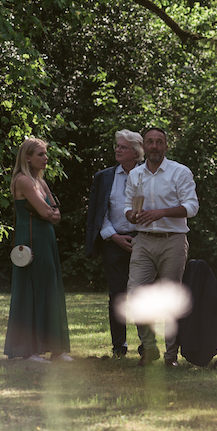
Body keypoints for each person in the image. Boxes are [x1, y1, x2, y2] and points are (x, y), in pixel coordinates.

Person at [124, 127, 199, 367]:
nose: (154, 146)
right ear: (143, 147)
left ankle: (170, 356)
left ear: (166, 146)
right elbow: (126, 208)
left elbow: (192, 207)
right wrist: (132, 216)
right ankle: (148, 348)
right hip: (143, 240)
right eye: (150, 142)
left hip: (173, 240)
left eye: (159, 142)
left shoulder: (180, 172)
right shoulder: (135, 175)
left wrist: (161, 213)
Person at [4, 138, 72, 362]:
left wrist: (49, 212)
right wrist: (48, 212)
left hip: (46, 238)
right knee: (31, 288)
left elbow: (57, 214)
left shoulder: (41, 182)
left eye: (45, 154)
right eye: (41, 154)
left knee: (49, 287)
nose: (46, 158)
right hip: (30, 238)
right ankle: (28, 349)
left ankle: (56, 349)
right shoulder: (22, 180)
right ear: (27, 157)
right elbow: (46, 213)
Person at [85, 129, 144, 358]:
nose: (117, 150)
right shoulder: (104, 176)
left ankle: (145, 345)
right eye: (117, 146)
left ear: (136, 152)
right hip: (113, 241)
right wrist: (114, 236)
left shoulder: (147, 174)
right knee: (118, 295)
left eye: (123, 147)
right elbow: (99, 212)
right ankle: (119, 346)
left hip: (144, 240)